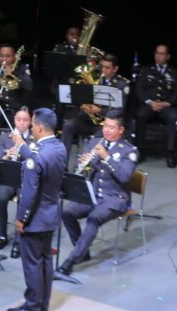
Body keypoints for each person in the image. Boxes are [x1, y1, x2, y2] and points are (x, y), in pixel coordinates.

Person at [57, 110, 138, 275]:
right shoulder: (95, 141)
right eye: (105, 126)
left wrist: (107, 157)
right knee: (66, 212)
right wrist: (84, 164)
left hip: (115, 198)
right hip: (93, 194)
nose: (106, 130)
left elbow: (124, 177)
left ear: (121, 130)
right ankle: (83, 252)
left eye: (112, 127)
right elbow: (84, 172)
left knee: (93, 218)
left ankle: (71, 260)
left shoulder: (129, 151)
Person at [7, 108, 66, 311]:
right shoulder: (59, 147)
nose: (31, 127)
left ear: (39, 127)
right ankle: (43, 304)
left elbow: (30, 192)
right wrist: (23, 148)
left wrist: (21, 218)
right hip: (51, 213)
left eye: (32, 124)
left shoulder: (37, 156)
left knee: (32, 263)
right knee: (45, 262)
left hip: (35, 218)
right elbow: (36, 158)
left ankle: (32, 306)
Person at [60, 53, 129, 163]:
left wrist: (99, 110)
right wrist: (83, 106)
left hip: (104, 124)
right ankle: (62, 165)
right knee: (68, 125)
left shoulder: (121, 84)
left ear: (115, 69)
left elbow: (119, 112)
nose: (103, 70)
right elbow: (80, 98)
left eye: (107, 68)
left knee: (101, 134)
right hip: (87, 120)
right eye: (102, 66)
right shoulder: (94, 78)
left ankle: (85, 167)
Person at [0, 45, 33, 156]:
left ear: (14, 57)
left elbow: (30, 86)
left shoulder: (22, 68)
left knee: (21, 132)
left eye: (8, 56)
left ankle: (19, 155)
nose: (4, 59)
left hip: (15, 110)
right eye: (2, 56)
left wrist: (14, 74)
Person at [0, 107, 34, 250]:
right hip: (9, 176)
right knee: (0, 198)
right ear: (14, 120)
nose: (21, 123)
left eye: (25, 120)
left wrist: (23, 146)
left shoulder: (34, 138)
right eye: (18, 120)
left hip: (25, 178)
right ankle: (2, 236)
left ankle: (18, 240)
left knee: (23, 201)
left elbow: (37, 162)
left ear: (30, 121)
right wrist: (7, 156)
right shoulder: (5, 137)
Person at [135, 44, 177, 167]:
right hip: (149, 106)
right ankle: (140, 149)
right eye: (157, 53)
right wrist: (150, 102)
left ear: (168, 56)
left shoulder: (175, 73)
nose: (158, 56)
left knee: (174, 116)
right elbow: (139, 89)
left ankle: (170, 152)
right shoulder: (146, 70)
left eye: (162, 54)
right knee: (140, 114)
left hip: (166, 107)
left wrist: (165, 103)